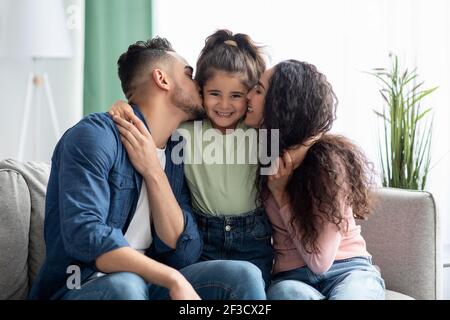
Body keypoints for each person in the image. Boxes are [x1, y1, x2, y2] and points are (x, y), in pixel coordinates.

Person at [28, 37, 267, 300]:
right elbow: (86, 236)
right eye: (189, 75)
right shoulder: (94, 136)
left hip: (147, 286)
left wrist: (153, 171)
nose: (199, 84)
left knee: (244, 275)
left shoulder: (177, 151)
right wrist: (172, 278)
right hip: (79, 286)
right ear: (162, 79)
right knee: (126, 286)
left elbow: (184, 250)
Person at [110, 29, 274, 288]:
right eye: (214, 94)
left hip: (253, 240)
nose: (224, 105)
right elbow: (152, 116)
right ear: (200, 91)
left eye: (236, 96)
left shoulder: (257, 130)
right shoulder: (185, 130)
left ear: (250, 95)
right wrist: (123, 105)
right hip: (203, 238)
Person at [245, 59, 386, 299]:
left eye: (258, 90)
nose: (248, 96)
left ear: (280, 105)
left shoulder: (328, 163)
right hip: (291, 279)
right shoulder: (262, 155)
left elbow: (320, 261)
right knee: (285, 294)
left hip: (348, 270)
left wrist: (280, 194)